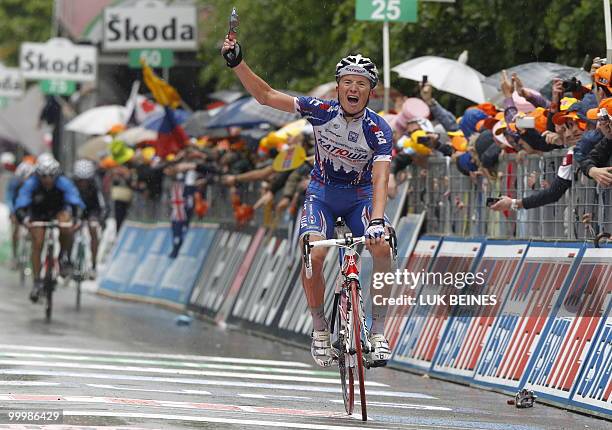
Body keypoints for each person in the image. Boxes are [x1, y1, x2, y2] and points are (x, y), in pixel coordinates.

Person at [221, 35, 394, 367]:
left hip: (361, 198)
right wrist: (237, 62)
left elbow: (381, 177)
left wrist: (377, 221)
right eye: (347, 82)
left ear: (370, 92)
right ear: (338, 87)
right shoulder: (321, 111)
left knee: (383, 248)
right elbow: (267, 95)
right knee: (314, 253)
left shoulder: (379, 129)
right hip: (322, 194)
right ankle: (319, 329)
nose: (353, 88)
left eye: (361, 83)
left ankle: (379, 331)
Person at [14, 156, 85, 302]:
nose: (47, 180)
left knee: (67, 225)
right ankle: (37, 281)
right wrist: (24, 219)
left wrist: (77, 218)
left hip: (58, 211)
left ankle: (63, 258)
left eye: (51, 176)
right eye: (44, 176)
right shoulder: (31, 183)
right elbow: (21, 202)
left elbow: (75, 200)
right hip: (38, 213)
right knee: (38, 241)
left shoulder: (63, 182)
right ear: (38, 175)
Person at [72, 159, 108, 279]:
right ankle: (68, 259)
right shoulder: (71, 184)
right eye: (79, 180)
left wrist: (100, 220)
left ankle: (93, 265)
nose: (82, 183)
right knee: (70, 229)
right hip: (76, 210)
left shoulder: (96, 185)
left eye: (85, 180)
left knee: (93, 230)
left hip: (92, 210)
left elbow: (102, 206)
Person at [6, 161, 36, 268]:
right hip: (17, 206)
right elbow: (9, 198)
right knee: (16, 229)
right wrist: (12, 212)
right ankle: (14, 255)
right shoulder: (14, 183)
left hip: (29, 207)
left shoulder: (34, 184)